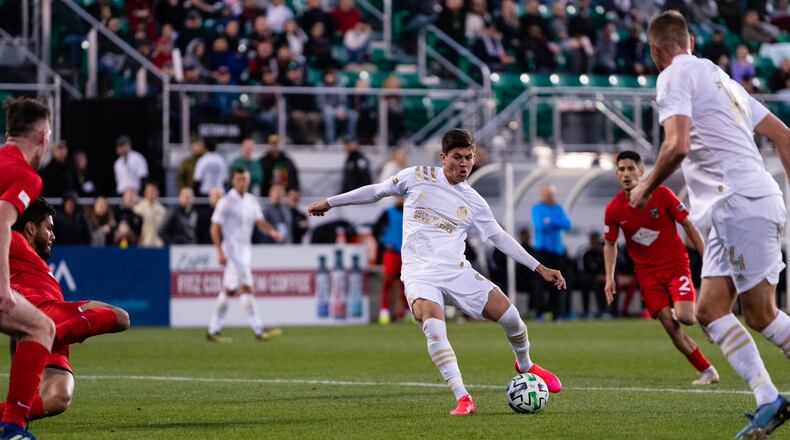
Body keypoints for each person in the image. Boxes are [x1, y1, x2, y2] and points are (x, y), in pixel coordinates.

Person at [307, 129, 566, 415]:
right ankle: (463, 397)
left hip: (457, 271)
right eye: (457, 157)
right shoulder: (416, 176)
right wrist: (331, 202)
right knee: (433, 323)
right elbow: (376, 191)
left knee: (513, 318)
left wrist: (539, 267)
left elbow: (499, 237)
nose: (464, 163)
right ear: (443, 157)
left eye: (469, 157)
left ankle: (526, 365)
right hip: (419, 274)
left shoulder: (473, 199)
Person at [631, 11, 790, 439]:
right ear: (690, 42)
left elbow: (677, 144)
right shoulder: (723, 78)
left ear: (655, 50)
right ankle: (768, 398)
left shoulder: (671, 77)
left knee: (760, 314)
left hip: (738, 202)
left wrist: (646, 185)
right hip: (733, 206)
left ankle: (769, 398)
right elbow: (785, 136)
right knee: (709, 311)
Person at [3, 198, 129, 423]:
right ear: (31, 228)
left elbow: (16, 342)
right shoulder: (15, 241)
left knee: (58, 398)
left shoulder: (34, 262)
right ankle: (47, 333)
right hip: (46, 317)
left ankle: (14, 418)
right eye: (49, 228)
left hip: (55, 323)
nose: (53, 236)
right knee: (121, 317)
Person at [604, 150, 719, 385]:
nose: (626, 174)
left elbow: (688, 225)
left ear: (641, 171)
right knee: (669, 324)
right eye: (622, 169)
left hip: (676, 265)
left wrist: (707, 256)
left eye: (631, 168)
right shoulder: (614, 209)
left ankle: (705, 319)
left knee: (686, 318)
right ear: (617, 174)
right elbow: (610, 244)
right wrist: (609, 277)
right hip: (647, 274)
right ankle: (707, 371)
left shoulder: (662, 194)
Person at [0, 97, 58, 440]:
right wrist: (4, 286)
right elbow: (2, 222)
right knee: (41, 329)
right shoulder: (26, 176)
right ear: (42, 136)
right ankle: (11, 429)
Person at [208, 167, 284, 343]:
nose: (243, 182)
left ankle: (213, 330)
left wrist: (272, 232)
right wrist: (219, 250)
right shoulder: (226, 201)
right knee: (247, 287)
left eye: (245, 179)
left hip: (245, 251)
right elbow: (214, 227)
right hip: (232, 251)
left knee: (228, 290)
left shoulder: (251, 200)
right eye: (239, 179)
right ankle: (259, 329)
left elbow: (260, 222)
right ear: (233, 181)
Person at [531, 184, 571, 321]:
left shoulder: (558, 208)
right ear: (542, 195)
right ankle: (539, 313)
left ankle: (557, 313)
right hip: (542, 251)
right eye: (547, 194)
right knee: (539, 284)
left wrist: (550, 221)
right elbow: (540, 225)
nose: (550, 197)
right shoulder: (537, 208)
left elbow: (567, 224)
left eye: (551, 194)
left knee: (558, 282)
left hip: (557, 251)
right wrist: (555, 222)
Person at [372, 197, 405, 324]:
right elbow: (375, 231)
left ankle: (403, 313)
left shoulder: (410, 211)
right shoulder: (388, 212)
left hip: (406, 252)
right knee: (388, 282)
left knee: (405, 284)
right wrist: (384, 244)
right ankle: (384, 311)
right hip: (391, 253)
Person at [132, 182, 166, 247]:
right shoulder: (138, 209)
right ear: (145, 192)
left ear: (157, 192)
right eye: (149, 190)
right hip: (143, 244)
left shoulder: (162, 210)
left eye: (154, 190)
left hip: (158, 245)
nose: (151, 193)